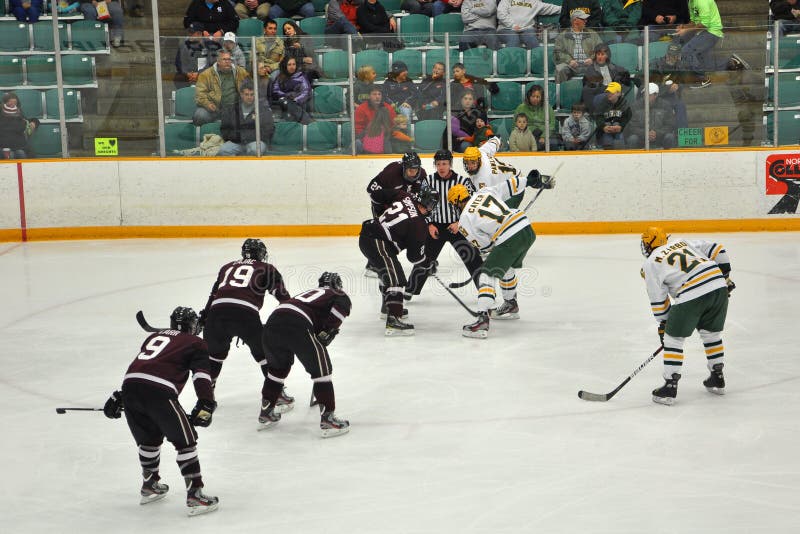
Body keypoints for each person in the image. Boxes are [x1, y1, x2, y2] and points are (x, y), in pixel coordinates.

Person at [102, 307, 219, 516]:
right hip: (159, 393)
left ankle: (150, 486)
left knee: (148, 440)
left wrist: (121, 395)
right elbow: (201, 375)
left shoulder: (154, 337)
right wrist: (206, 402)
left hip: (130, 387)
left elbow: (144, 365)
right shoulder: (196, 343)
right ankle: (195, 495)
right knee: (186, 441)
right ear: (193, 326)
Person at [446, 170, 555, 338]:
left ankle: (482, 320)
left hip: (509, 235)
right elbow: (510, 186)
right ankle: (511, 304)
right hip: (526, 228)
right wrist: (530, 181)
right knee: (507, 267)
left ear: (455, 203)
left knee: (486, 276)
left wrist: (490, 248)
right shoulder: (484, 192)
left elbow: (485, 245)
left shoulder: (464, 220)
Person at [640, 227, 734, 405]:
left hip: (692, 293)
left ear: (648, 243)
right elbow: (718, 249)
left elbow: (658, 301)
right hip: (718, 286)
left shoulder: (651, 263)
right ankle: (717, 377)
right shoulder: (682, 242)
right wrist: (725, 277)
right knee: (711, 335)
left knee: (673, 340)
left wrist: (665, 325)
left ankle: (669, 387)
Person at [200, 239, 293, 412]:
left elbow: (214, 295)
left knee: (214, 357)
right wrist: (292, 317)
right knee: (265, 355)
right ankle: (277, 393)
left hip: (216, 314)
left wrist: (205, 317)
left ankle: (207, 398)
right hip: (245, 314)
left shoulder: (226, 267)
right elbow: (283, 297)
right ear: (261, 254)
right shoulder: (267, 268)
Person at [259, 272, 352, 437]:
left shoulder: (305, 294)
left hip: (272, 323)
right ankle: (328, 419)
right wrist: (327, 332)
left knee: (276, 371)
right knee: (322, 371)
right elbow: (337, 315)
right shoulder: (337, 294)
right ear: (337, 285)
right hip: (297, 323)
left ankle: (266, 413)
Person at [359, 188, 440, 335]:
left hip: (370, 233)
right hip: (377, 241)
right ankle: (394, 320)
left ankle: (387, 308)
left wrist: (381, 216)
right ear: (430, 205)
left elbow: (377, 195)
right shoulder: (419, 225)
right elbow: (414, 257)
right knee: (396, 279)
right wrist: (427, 264)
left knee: (388, 273)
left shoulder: (405, 196)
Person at [405, 149, 483, 299]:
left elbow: (472, 206)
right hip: (436, 228)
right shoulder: (428, 181)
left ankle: (485, 290)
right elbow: (421, 206)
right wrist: (429, 224)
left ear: (450, 164)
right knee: (425, 259)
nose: (441, 167)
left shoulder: (462, 181)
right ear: (435, 165)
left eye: (445, 164)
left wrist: (459, 222)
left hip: (457, 227)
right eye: (439, 164)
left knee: (473, 258)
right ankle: (410, 289)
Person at [673, 0, 749, 88]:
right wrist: (684, 26)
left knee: (686, 51)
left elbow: (705, 23)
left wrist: (686, 30)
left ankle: (703, 79)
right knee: (704, 64)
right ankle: (732, 62)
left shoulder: (702, 1)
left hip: (711, 32)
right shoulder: (691, 2)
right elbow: (694, 22)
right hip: (703, 32)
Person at [193, 49, 251, 126]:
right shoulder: (205, 74)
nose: (227, 61)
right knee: (199, 116)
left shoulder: (240, 72)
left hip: (234, 108)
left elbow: (251, 86)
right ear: (218, 61)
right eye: (224, 59)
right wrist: (208, 104)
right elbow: (199, 94)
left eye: (229, 59)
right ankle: (206, 134)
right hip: (214, 108)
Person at [461, 136, 524, 205]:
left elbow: (486, 203)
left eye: (473, 162)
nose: (470, 166)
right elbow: (495, 141)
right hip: (511, 176)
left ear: (479, 160)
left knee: (503, 214)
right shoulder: (481, 152)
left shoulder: (483, 178)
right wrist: (497, 138)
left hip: (515, 188)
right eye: (467, 162)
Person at [218, 80, 276, 155]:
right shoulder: (232, 109)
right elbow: (225, 128)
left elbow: (269, 129)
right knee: (223, 150)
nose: (249, 97)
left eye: (252, 94)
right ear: (241, 94)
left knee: (255, 150)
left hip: (255, 142)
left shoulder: (263, 109)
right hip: (236, 142)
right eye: (246, 94)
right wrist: (237, 138)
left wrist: (247, 137)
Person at [647, 42, 690, 129]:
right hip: (656, 97)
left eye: (674, 56)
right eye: (670, 55)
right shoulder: (655, 64)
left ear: (678, 56)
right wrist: (667, 89)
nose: (671, 58)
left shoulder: (680, 65)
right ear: (666, 54)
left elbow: (685, 82)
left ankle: (682, 134)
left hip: (671, 98)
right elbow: (649, 86)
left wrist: (678, 86)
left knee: (680, 105)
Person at [580, 42, 632, 113]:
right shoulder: (590, 70)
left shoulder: (613, 67)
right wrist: (609, 89)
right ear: (595, 56)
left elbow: (625, 73)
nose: (600, 57)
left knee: (618, 93)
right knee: (612, 95)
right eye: (598, 54)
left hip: (612, 95)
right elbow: (590, 89)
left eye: (602, 54)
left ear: (607, 56)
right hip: (597, 98)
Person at [554, 10, 603, 83]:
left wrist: (592, 59)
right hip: (570, 66)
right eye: (583, 19)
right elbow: (557, 52)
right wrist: (569, 60)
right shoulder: (562, 36)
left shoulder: (592, 33)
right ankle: (561, 93)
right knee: (560, 70)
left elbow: (601, 49)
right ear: (575, 21)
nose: (586, 21)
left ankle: (603, 93)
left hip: (590, 65)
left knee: (603, 67)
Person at [626, 82, 677, 149]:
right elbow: (632, 126)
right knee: (632, 139)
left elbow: (670, 125)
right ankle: (633, 159)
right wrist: (646, 133)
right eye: (644, 94)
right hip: (642, 137)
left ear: (656, 95)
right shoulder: (635, 106)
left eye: (649, 95)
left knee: (670, 137)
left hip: (660, 137)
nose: (645, 97)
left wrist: (657, 133)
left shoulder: (665, 105)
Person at [175, 23, 221, 90]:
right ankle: (185, 94)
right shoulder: (184, 45)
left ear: (200, 34)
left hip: (205, 74)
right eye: (189, 32)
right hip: (189, 74)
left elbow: (212, 63)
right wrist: (187, 73)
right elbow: (178, 63)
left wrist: (199, 74)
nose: (190, 35)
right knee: (178, 77)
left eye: (192, 33)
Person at [514, 84, 559, 151]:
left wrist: (544, 136)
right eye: (533, 96)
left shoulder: (548, 107)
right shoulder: (521, 108)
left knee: (554, 144)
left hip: (545, 133)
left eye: (538, 97)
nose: (535, 99)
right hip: (528, 134)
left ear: (542, 98)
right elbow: (515, 125)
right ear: (529, 96)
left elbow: (552, 124)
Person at [268, 56, 313, 124]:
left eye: (293, 64)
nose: (292, 67)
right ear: (285, 66)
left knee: (290, 106)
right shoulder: (280, 77)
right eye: (289, 65)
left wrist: (296, 99)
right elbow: (275, 90)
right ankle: (308, 121)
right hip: (283, 104)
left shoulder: (301, 77)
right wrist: (286, 95)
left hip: (299, 104)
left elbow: (306, 92)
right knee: (285, 101)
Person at [354, 84, 397, 154]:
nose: (377, 97)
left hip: (385, 139)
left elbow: (394, 125)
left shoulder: (388, 108)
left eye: (379, 94)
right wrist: (370, 140)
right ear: (369, 96)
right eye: (374, 94)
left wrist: (384, 136)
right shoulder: (361, 109)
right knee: (357, 143)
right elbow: (358, 128)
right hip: (367, 140)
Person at [591, 81, 631, 149]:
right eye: (608, 92)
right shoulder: (602, 104)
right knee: (607, 140)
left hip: (620, 131)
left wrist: (621, 127)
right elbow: (598, 118)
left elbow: (628, 119)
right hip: (605, 131)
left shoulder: (625, 105)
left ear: (618, 93)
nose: (609, 94)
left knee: (620, 140)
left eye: (611, 92)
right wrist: (603, 127)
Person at [0, 92, 39, 159]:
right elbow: (17, 126)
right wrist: (22, 124)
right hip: (3, 145)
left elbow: (25, 121)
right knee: (11, 155)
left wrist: (34, 122)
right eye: (10, 103)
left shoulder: (18, 112)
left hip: (19, 145)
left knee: (21, 153)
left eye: (15, 103)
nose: (13, 105)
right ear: (5, 103)